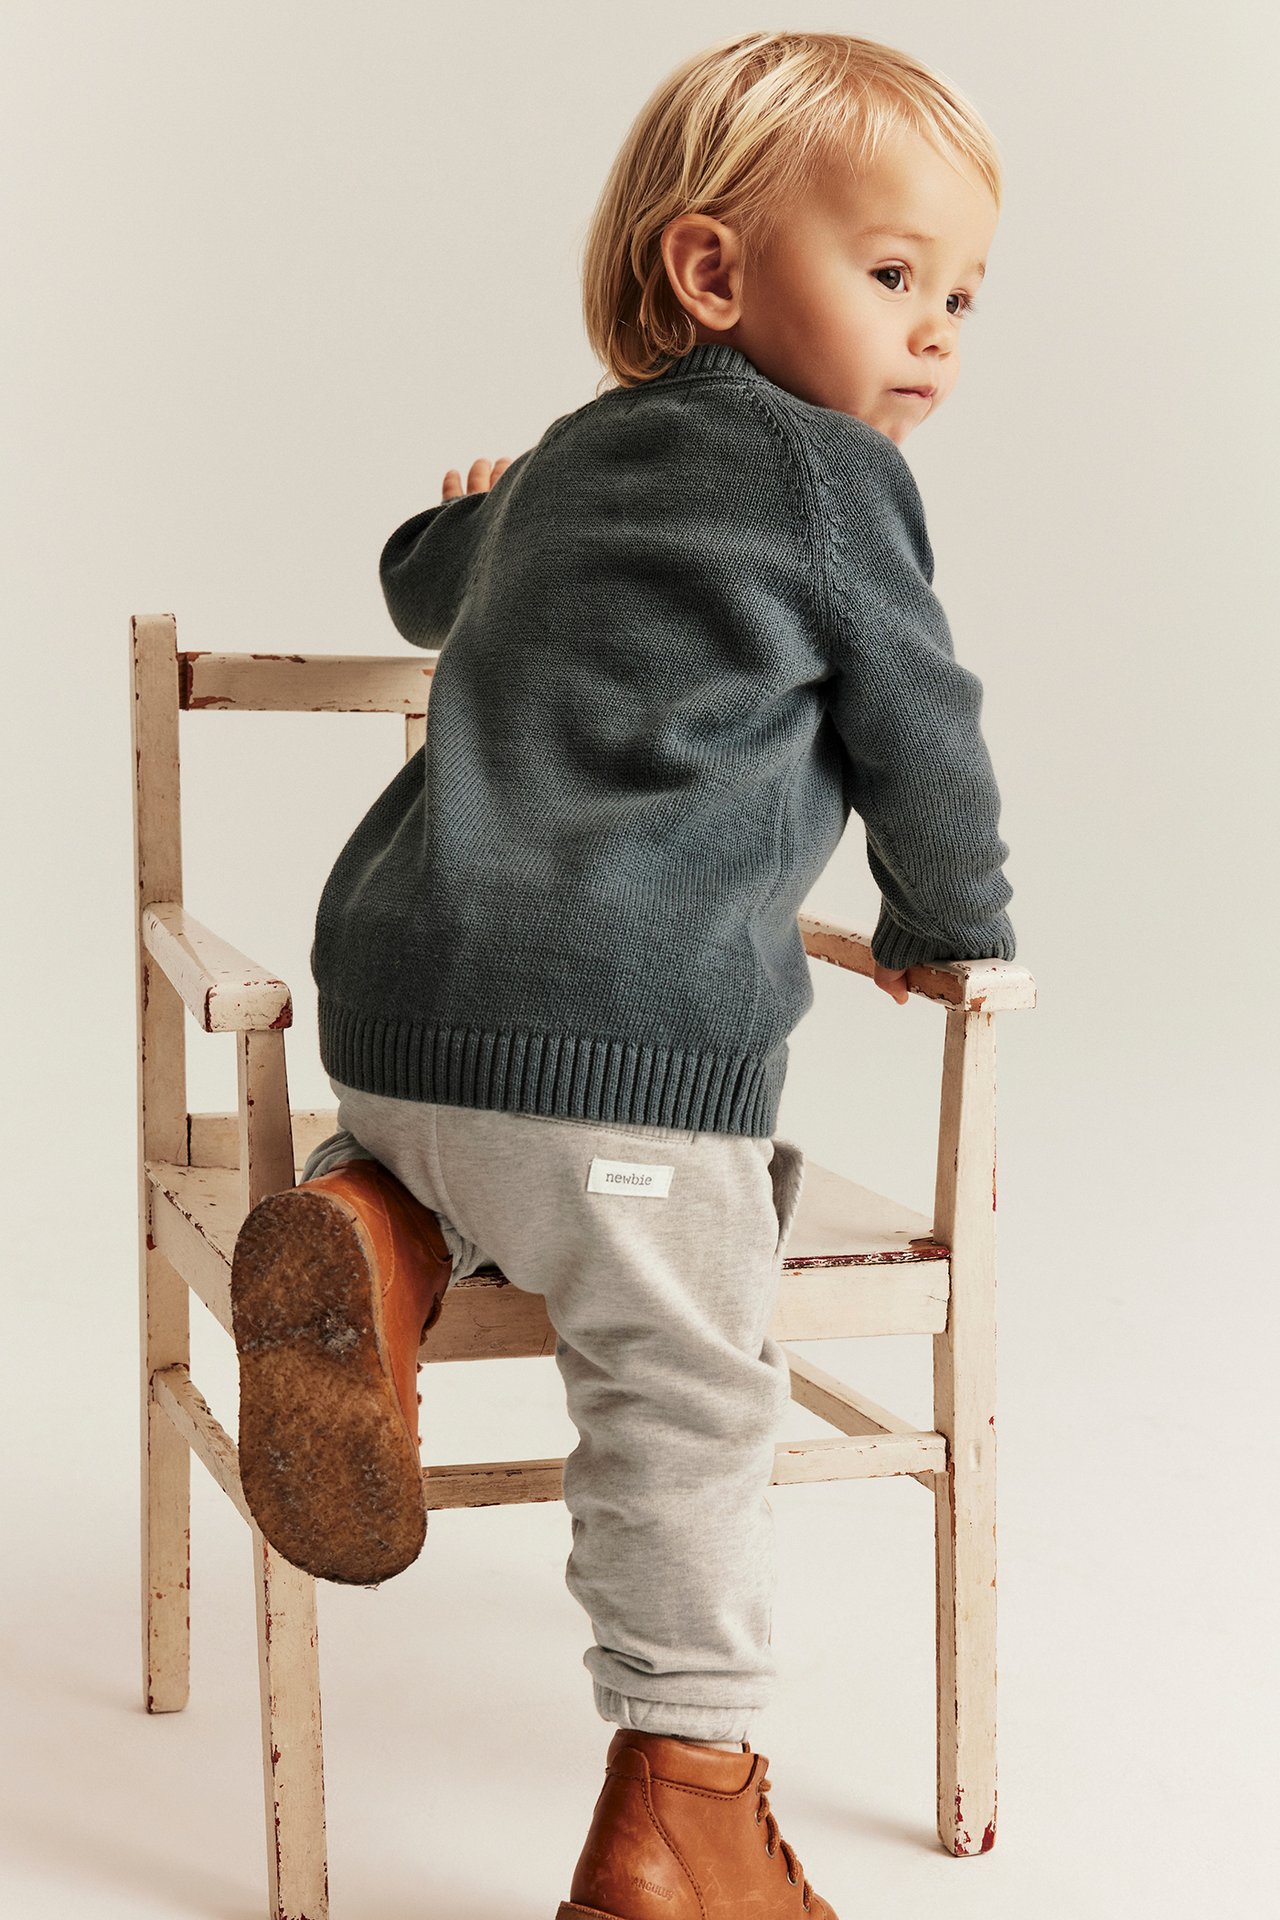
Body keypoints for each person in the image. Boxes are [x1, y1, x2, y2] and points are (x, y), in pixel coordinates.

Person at [230, 29, 1016, 1917]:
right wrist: (951, 920)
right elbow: (924, 729)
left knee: (629, 1202)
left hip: (406, 1027)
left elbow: (422, 588)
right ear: (714, 271)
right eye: (892, 273)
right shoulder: (832, 481)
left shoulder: (577, 461)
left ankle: (388, 1228)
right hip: (610, 1060)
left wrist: (467, 504)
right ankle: (686, 1799)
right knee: (688, 1377)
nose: (934, 336)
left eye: (965, 296)